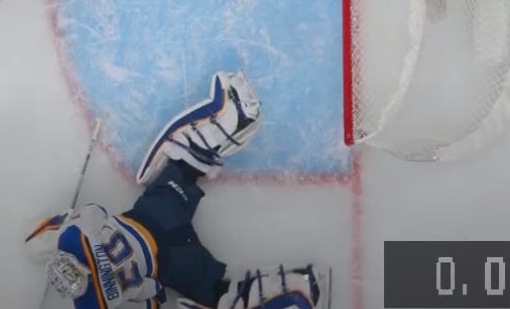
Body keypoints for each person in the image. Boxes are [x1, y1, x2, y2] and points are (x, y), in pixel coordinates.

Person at [25, 73, 327, 309]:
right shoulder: (73, 239)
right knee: (184, 167)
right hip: (155, 217)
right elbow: (88, 215)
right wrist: (49, 239)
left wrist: (153, 292)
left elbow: (150, 294)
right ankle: (227, 118)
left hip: (171, 260)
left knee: (214, 292)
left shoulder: (92, 303)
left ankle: (301, 289)